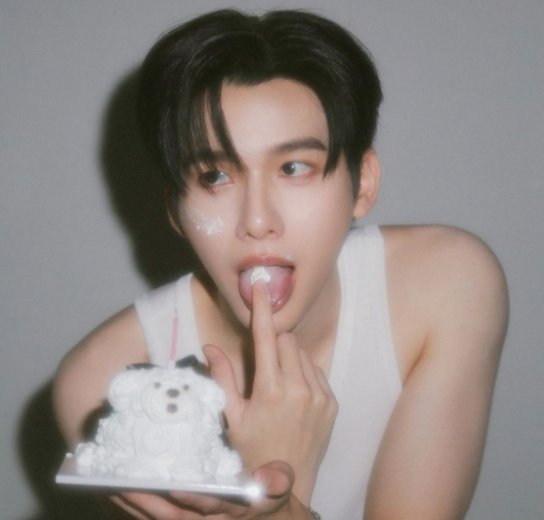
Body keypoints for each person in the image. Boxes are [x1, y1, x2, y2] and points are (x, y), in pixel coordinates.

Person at [53, 8, 508, 520]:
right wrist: (279, 485)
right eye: (214, 176)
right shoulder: (107, 382)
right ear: (175, 210)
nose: (257, 220)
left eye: (293, 167)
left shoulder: (447, 284)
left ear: (362, 183)